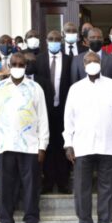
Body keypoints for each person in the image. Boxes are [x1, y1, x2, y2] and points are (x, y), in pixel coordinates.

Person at [63, 52, 112, 223]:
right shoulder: (76, 89)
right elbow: (68, 118)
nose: (92, 63)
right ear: (83, 65)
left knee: (107, 187)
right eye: (88, 61)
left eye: (95, 61)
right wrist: (68, 144)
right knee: (82, 188)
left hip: (109, 145)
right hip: (82, 145)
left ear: (100, 63)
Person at [0, 52, 50, 223]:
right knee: (6, 187)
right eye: (14, 64)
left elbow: (43, 118)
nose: (17, 67)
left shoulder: (35, 88)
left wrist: (43, 146)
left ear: (25, 66)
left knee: (31, 187)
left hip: (30, 146)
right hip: (5, 145)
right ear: (8, 65)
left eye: (21, 64)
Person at [35, 30, 73, 194]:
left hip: (64, 109)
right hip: (45, 109)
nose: (54, 41)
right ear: (46, 41)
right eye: (51, 39)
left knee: (63, 145)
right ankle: (48, 181)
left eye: (57, 39)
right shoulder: (39, 59)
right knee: (48, 146)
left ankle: (63, 182)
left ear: (62, 41)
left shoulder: (69, 60)